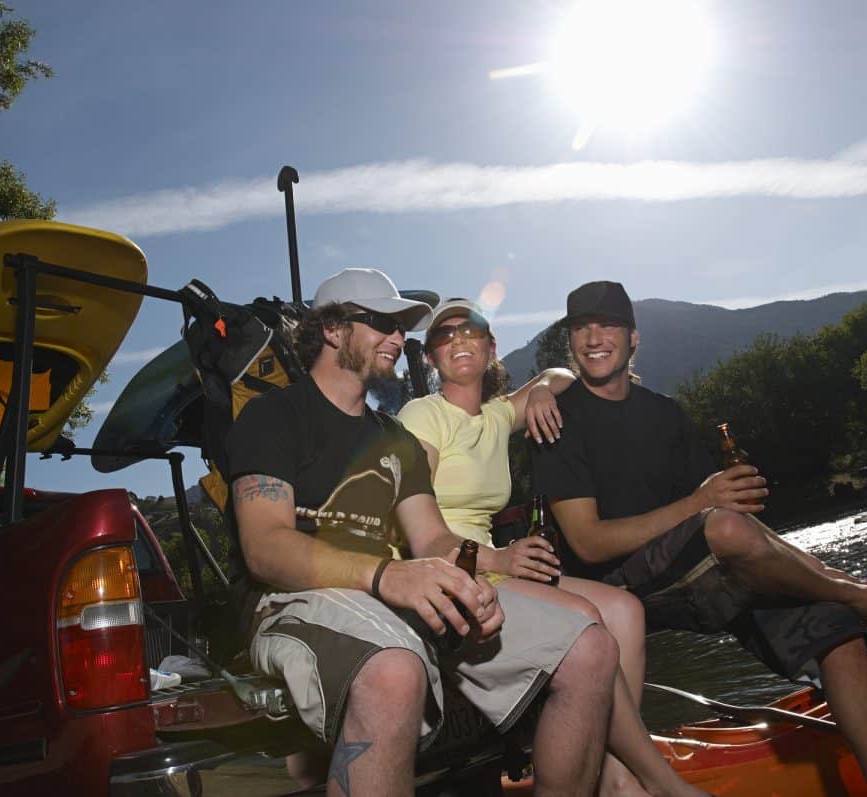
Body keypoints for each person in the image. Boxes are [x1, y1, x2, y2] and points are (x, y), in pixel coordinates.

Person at [532, 279, 867, 797]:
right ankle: (865, 594)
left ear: (633, 338)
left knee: (836, 628)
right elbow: (589, 545)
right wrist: (703, 505)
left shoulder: (666, 413)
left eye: (608, 325)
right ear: (571, 341)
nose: (594, 337)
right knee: (725, 525)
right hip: (616, 586)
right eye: (582, 328)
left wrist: (725, 508)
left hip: (696, 571)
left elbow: (712, 515)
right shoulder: (558, 419)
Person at [228, 268, 622, 797]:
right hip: (294, 598)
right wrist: (387, 575)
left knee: (590, 649)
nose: (398, 339)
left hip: (387, 594)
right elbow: (264, 547)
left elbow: (432, 540)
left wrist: (468, 577)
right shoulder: (273, 416)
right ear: (331, 329)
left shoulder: (393, 437)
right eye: (382, 324)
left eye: (402, 328)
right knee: (395, 670)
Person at [398, 298, 704, 797]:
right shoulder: (423, 415)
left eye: (470, 330)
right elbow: (418, 529)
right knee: (586, 619)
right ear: (431, 358)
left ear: (490, 346)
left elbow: (565, 373)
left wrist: (539, 388)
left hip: (494, 563)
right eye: (443, 335)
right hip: (451, 568)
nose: (457, 339)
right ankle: (655, 780)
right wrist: (498, 557)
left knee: (625, 611)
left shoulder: (497, 416)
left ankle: (613, 771)